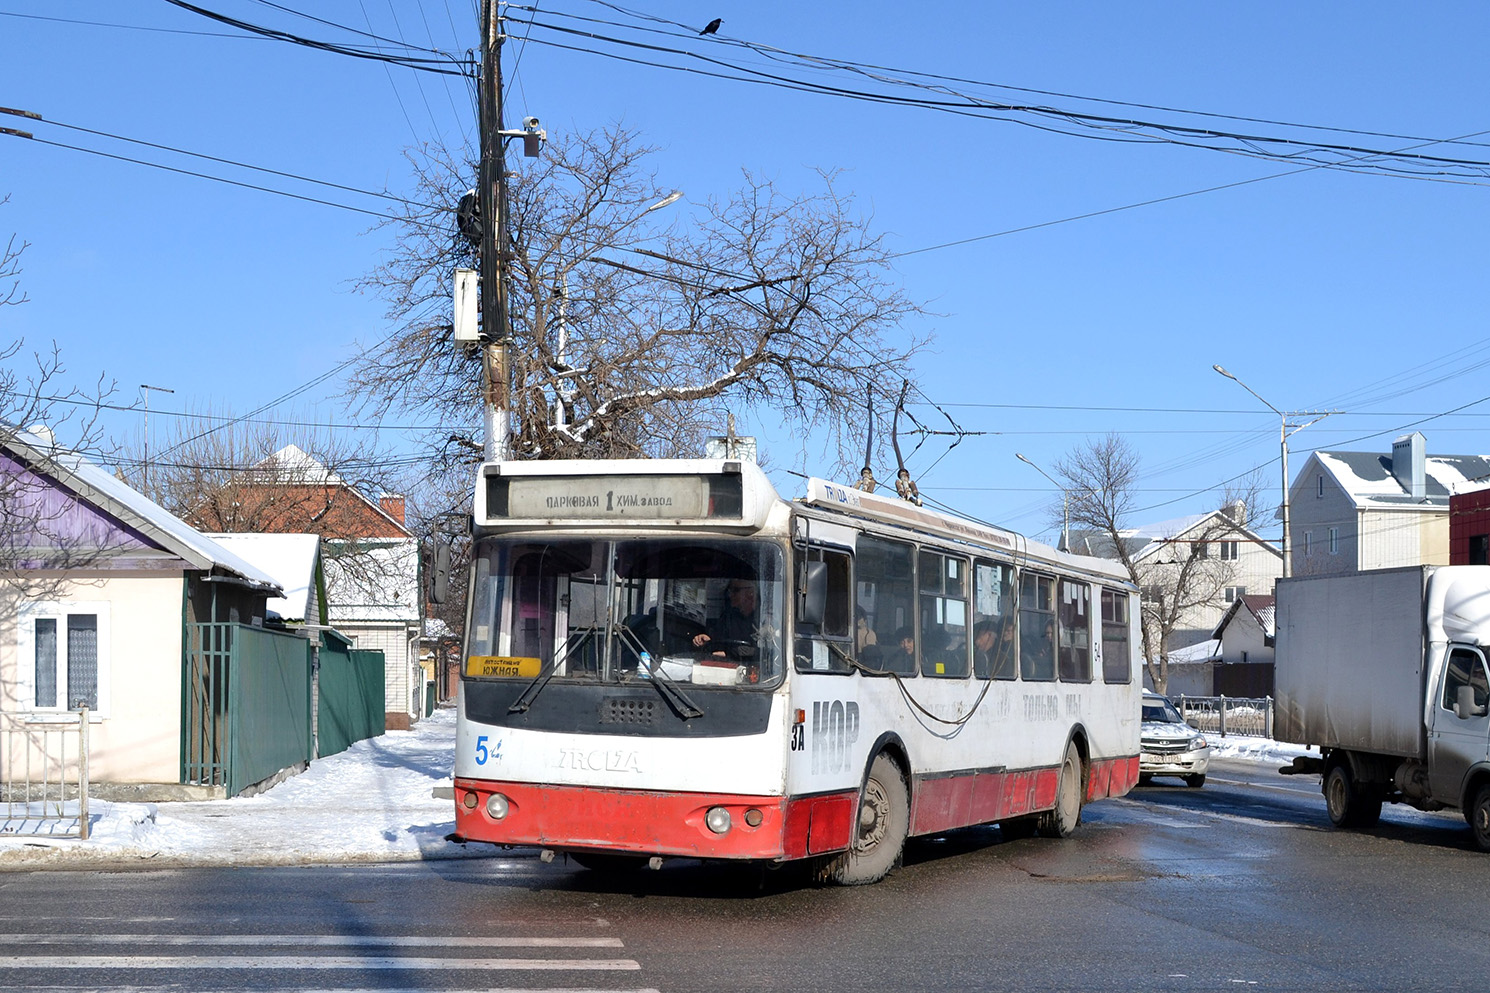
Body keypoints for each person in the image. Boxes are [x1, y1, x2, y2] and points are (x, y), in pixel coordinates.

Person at [693, 579, 759, 652]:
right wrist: (706, 641)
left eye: (735, 590)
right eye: (729, 591)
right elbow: (717, 641)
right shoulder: (729, 617)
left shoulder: (763, 618)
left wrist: (734, 653)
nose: (730, 595)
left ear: (751, 593)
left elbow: (763, 651)